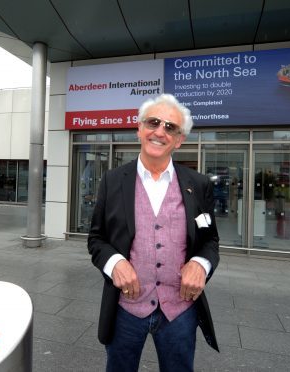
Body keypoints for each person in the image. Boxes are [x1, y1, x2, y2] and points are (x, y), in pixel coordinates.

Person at [88, 93, 220, 372]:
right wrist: (115, 263)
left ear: (179, 139)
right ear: (139, 129)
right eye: (153, 122)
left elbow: (209, 240)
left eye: (170, 127)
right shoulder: (112, 181)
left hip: (179, 310)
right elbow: (96, 239)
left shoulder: (198, 185)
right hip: (126, 308)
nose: (160, 131)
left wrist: (200, 263)